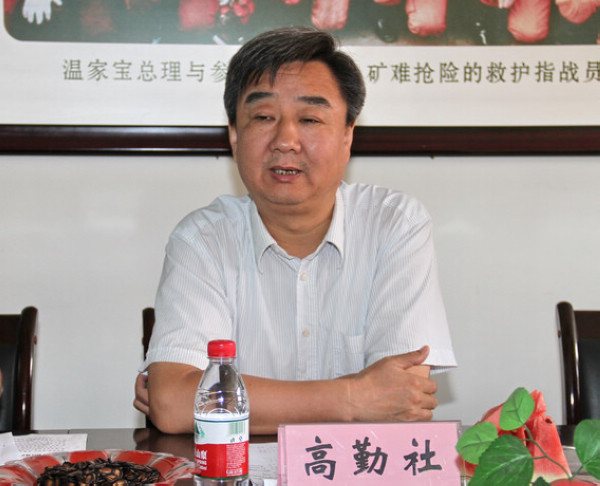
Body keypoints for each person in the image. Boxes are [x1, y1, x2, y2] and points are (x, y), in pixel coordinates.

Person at [134, 26, 457, 435]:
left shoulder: (395, 225)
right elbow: (173, 403)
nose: (285, 140)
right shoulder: (202, 240)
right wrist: (354, 398)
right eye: (264, 117)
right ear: (234, 135)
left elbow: (400, 398)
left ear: (347, 136)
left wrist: (219, 400)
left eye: (309, 119)